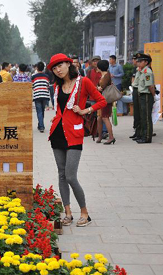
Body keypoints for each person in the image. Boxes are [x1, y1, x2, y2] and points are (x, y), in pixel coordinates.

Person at [47, 53, 107, 227]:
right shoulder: (57, 86)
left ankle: (84, 213)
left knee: (71, 176)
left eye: (60, 65)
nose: (58, 70)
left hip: (74, 134)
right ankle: (67, 213)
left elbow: (101, 101)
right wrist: (57, 117)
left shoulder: (83, 82)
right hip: (57, 133)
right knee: (61, 174)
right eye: (54, 68)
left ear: (68, 64)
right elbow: (60, 108)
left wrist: (84, 111)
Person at [135, 53, 156, 144]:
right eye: (138, 61)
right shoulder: (142, 71)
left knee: (146, 117)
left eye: (140, 61)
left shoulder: (147, 72)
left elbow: (150, 86)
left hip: (147, 95)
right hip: (142, 95)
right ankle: (143, 135)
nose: (138, 63)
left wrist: (154, 96)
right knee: (143, 116)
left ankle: (147, 137)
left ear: (146, 62)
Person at [95, 60, 116, 144]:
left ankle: (111, 137)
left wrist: (98, 87)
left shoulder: (106, 75)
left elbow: (102, 86)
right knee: (99, 118)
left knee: (105, 117)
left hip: (106, 99)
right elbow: (98, 86)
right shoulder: (103, 75)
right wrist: (97, 87)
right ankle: (100, 136)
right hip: (101, 99)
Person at [31, 62, 50, 133]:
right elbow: (48, 86)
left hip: (37, 95)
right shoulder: (47, 76)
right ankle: (40, 125)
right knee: (42, 110)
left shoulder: (33, 76)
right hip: (45, 95)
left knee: (39, 111)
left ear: (37, 68)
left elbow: (32, 86)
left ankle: (41, 126)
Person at [130, 53, 142, 140]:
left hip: (140, 92)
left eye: (138, 60)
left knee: (140, 113)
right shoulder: (136, 69)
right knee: (136, 112)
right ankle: (137, 132)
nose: (135, 62)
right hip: (135, 90)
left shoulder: (145, 70)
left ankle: (141, 133)